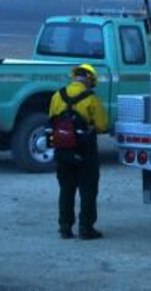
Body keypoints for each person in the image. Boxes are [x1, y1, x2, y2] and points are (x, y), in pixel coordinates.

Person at [49, 63, 109, 240]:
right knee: (88, 189)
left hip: (62, 150)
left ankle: (65, 227)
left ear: (74, 77)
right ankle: (86, 228)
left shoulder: (57, 96)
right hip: (85, 151)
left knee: (66, 189)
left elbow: (51, 119)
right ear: (90, 80)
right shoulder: (91, 98)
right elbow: (102, 125)